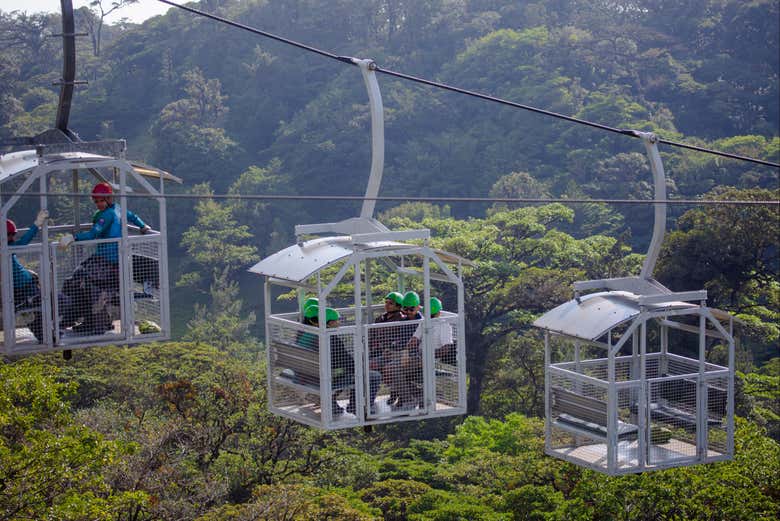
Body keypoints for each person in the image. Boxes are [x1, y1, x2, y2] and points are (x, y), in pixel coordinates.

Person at [58, 182, 151, 335]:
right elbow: (133, 217)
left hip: (108, 263)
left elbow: (93, 234)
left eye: (101, 201)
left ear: (108, 198)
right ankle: (82, 319)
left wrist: (73, 238)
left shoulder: (107, 215)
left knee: (76, 283)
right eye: (96, 201)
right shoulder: (118, 209)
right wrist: (143, 226)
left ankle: (75, 319)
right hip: (110, 261)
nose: (98, 204)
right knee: (78, 280)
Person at [399, 296, 454, 409]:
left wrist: (428, 355)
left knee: (397, 370)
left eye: (432, 315)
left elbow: (445, 349)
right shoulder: (424, 322)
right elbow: (414, 339)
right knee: (394, 368)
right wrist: (406, 352)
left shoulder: (444, 326)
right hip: (418, 355)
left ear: (438, 313)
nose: (430, 317)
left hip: (431, 358)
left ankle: (415, 396)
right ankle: (419, 394)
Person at [370, 291, 406, 407]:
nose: (386, 305)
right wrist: (372, 347)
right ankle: (369, 399)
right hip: (378, 352)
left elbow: (402, 339)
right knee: (368, 365)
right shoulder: (380, 319)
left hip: (393, 353)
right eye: (386, 302)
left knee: (386, 368)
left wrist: (391, 348)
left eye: (390, 303)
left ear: (398, 306)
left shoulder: (402, 320)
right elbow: (372, 336)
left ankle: (399, 393)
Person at [6, 210, 48, 306]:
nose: (12, 237)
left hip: (25, 284)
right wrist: (37, 224)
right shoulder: (7, 248)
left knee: (41, 302)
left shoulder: (8, 247)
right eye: (9, 234)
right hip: (22, 286)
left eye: (13, 234)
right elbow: (24, 241)